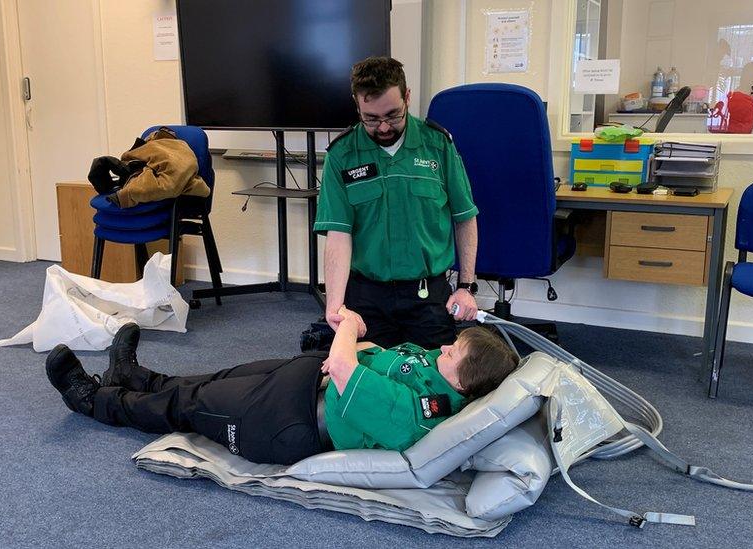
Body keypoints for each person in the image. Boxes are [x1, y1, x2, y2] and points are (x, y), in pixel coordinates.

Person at [45, 312, 519, 465]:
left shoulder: (421, 411)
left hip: (287, 424)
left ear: (462, 381)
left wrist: (348, 328)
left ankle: (95, 401)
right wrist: (347, 344)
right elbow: (374, 355)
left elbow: (346, 368)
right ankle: (134, 376)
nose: (443, 349)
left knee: (192, 407)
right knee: (210, 380)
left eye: (453, 353)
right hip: (305, 381)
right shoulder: (431, 366)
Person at [314, 56, 480, 350]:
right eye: (371, 118)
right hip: (367, 294)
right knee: (366, 382)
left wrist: (466, 287)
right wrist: (334, 305)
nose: (383, 127)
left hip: (427, 293)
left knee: (439, 380)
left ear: (407, 97)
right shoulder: (342, 154)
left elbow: (465, 216)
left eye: (393, 115)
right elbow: (339, 234)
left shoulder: (438, 144)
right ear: (357, 106)